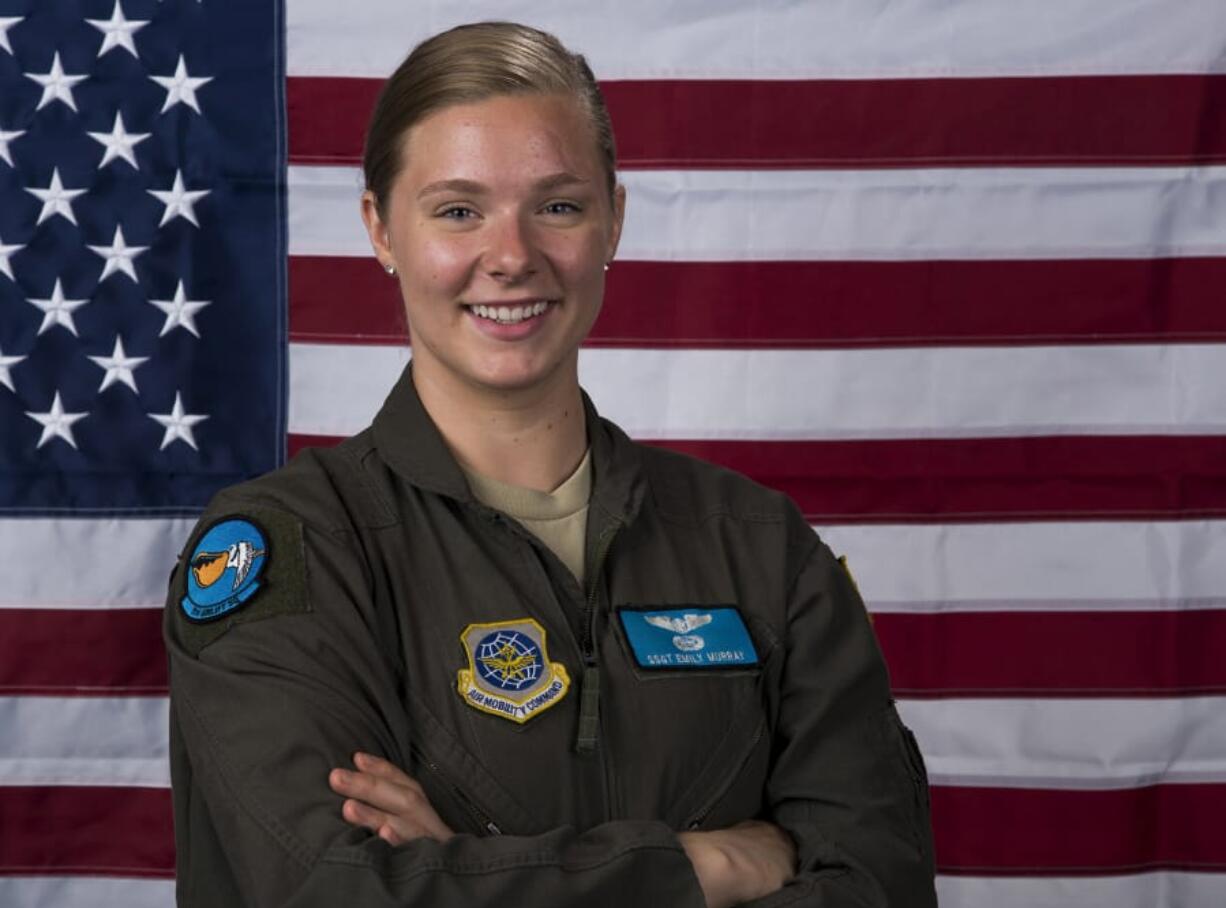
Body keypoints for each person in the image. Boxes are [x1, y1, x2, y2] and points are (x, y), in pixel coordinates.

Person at [164, 21, 937, 908]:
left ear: (614, 217)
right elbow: (335, 891)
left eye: (558, 206)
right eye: (458, 210)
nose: (512, 256)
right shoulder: (291, 553)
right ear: (381, 230)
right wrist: (708, 866)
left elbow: (882, 886)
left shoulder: (760, 549)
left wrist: (465, 874)